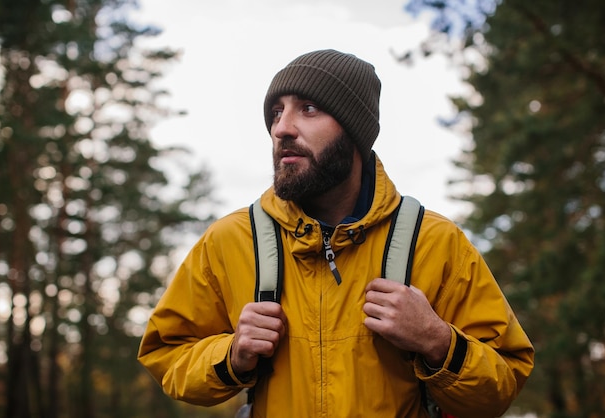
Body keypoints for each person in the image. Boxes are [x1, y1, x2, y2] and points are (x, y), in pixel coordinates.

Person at [138, 49, 534, 417]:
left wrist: (436, 340)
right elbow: (166, 353)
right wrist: (231, 354)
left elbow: (503, 381)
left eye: (308, 109)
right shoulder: (229, 241)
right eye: (276, 113)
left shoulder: (434, 241)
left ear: (354, 132)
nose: (282, 129)